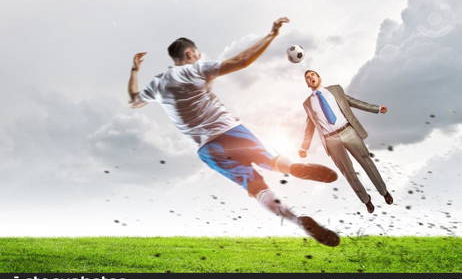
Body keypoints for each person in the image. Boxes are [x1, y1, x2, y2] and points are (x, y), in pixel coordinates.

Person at [127, 18, 340, 246]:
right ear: (190, 54)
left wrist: (135, 70)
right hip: (230, 131)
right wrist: (272, 35)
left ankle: (297, 221)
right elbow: (242, 60)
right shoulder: (197, 69)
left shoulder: (157, 84)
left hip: (207, 149)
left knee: (255, 187)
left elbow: (133, 100)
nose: (199, 56)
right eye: (197, 52)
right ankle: (292, 168)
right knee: (271, 160)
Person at [299, 70, 394, 213]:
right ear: (307, 83)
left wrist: (377, 108)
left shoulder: (335, 90)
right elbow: (309, 126)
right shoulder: (307, 103)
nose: (310, 77)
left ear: (319, 77)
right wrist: (304, 148)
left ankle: (383, 191)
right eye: (307, 77)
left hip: (348, 131)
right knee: (348, 173)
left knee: (366, 162)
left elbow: (353, 102)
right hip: (331, 140)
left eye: (313, 75)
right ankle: (366, 200)